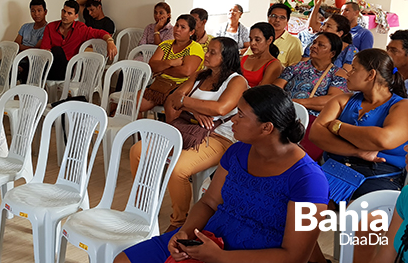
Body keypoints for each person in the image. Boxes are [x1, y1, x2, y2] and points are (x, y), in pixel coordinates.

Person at [115, 85, 329, 263]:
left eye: (241, 116)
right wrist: (186, 233)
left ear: (266, 128)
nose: (232, 120)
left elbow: (295, 256)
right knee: (123, 260)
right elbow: (209, 202)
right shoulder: (237, 152)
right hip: (210, 237)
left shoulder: (309, 180)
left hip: (253, 255)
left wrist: (220, 257)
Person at [132, 37, 246, 232]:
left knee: (178, 170)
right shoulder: (201, 75)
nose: (206, 55)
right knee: (138, 150)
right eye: (207, 50)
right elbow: (174, 97)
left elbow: (220, 108)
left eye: (212, 52)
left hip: (219, 137)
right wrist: (197, 110)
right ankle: (145, 204)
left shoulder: (236, 81)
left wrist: (187, 103)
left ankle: (178, 222)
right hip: (187, 128)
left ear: (226, 57)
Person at [310, 49, 408, 263]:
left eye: (354, 69)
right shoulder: (343, 100)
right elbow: (316, 134)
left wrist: (336, 126)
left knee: (365, 226)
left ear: (371, 75)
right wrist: (358, 151)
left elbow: (384, 139)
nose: (348, 74)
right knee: (295, 209)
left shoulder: (401, 105)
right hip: (335, 169)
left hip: (380, 176)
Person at [274, 32, 349, 160]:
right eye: (314, 43)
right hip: (285, 116)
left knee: (299, 158)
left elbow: (332, 101)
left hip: (314, 123)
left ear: (332, 53)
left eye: (321, 45)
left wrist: (295, 103)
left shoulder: (338, 74)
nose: (314, 46)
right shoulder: (296, 68)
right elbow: (276, 89)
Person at [139, 15, 204, 113]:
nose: (177, 29)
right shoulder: (165, 44)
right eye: (176, 25)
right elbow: (152, 66)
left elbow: (186, 71)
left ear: (191, 32)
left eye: (183, 27)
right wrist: (171, 62)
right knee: (134, 106)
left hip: (182, 86)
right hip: (161, 85)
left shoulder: (195, 47)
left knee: (172, 107)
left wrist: (162, 68)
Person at [40, 0, 117, 80]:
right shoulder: (50, 27)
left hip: (69, 68)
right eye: (64, 11)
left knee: (56, 50)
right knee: (28, 66)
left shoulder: (81, 29)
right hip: (51, 65)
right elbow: (44, 50)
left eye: (69, 13)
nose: (65, 15)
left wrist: (110, 42)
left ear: (76, 16)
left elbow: (100, 33)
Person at [0, 0, 48, 84]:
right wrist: (23, 48)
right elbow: (15, 45)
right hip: (16, 56)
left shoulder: (47, 29)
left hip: (31, 60)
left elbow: (37, 50)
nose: (36, 14)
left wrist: (22, 48)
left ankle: (4, 93)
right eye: (33, 11)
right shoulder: (25, 27)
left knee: (9, 69)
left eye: (39, 10)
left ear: (45, 12)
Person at [244, 3, 303, 67]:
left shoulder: (294, 42)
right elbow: (246, 58)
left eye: (282, 17)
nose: (277, 20)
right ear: (268, 18)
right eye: (274, 16)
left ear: (287, 21)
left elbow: (295, 69)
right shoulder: (260, 38)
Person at [241, 22, 282, 87]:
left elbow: (262, 91)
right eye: (251, 39)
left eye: (257, 40)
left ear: (269, 40)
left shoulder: (273, 64)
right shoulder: (242, 59)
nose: (252, 43)